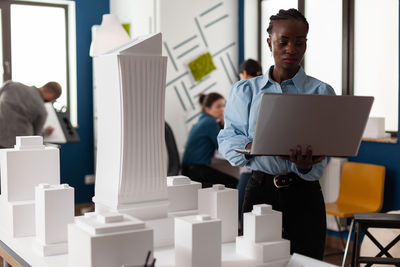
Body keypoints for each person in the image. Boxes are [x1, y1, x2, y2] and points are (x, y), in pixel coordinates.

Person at [218, 9, 335, 260]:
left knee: (307, 262)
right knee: (258, 263)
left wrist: (305, 165)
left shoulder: (321, 92)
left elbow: (326, 149)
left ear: (306, 44)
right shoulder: (245, 91)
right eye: (283, 42)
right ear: (270, 42)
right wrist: (252, 146)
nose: (291, 49)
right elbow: (228, 138)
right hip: (260, 193)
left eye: (299, 42)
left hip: (306, 194)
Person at [182, 92, 238, 189]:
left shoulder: (202, 121)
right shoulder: (210, 123)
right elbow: (223, 146)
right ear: (207, 109)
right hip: (196, 171)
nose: (222, 110)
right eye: (218, 107)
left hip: (188, 170)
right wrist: (226, 124)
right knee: (235, 183)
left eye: (224, 106)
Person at [236, 59, 263, 226]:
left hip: (249, 161)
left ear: (244, 73)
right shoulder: (264, 89)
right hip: (265, 160)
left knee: (245, 210)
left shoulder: (242, 91)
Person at [0, 81, 62, 148]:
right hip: (17, 147)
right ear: (51, 95)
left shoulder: (11, 85)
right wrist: (46, 131)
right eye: (54, 99)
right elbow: (36, 137)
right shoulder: (42, 110)